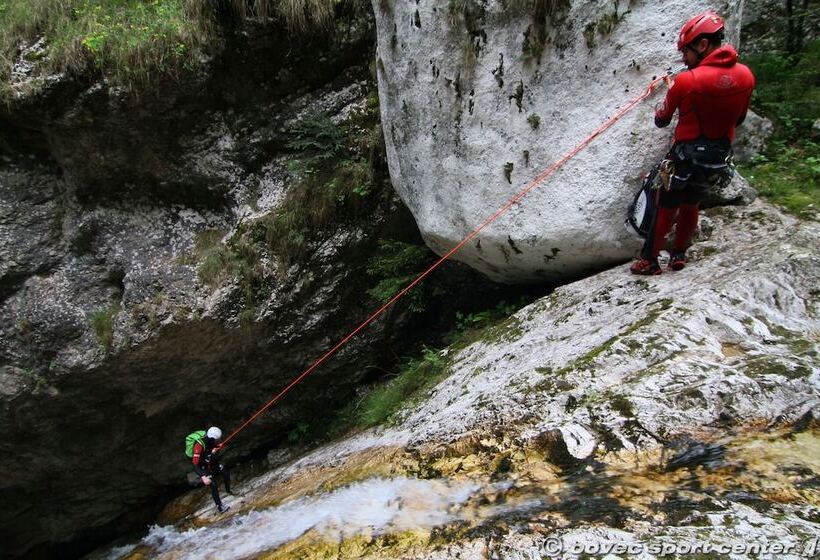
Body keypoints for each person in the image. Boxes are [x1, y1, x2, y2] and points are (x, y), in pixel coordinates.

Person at [631, 11, 755, 275]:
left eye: (685, 51)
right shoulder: (746, 76)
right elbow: (740, 118)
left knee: (666, 204)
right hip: (717, 158)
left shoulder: (686, 81)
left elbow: (661, 119)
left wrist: (669, 95)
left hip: (685, 156)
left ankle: (649, 260)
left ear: (702, 45)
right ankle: (678, 254)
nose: (683, 59)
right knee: (692, 203)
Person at [191, 426, 233, 513]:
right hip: (202, 465)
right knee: (213, 484)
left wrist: (218, 447)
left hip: (210, 461)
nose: (217, 441)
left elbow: (212, 447)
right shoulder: (198, 446)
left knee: (225, 473)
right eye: (216, 440)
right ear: (212, 437)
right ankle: (220, 507)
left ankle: (228, 491)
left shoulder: (210, 440)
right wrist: (203, 477)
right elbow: (195, 464)